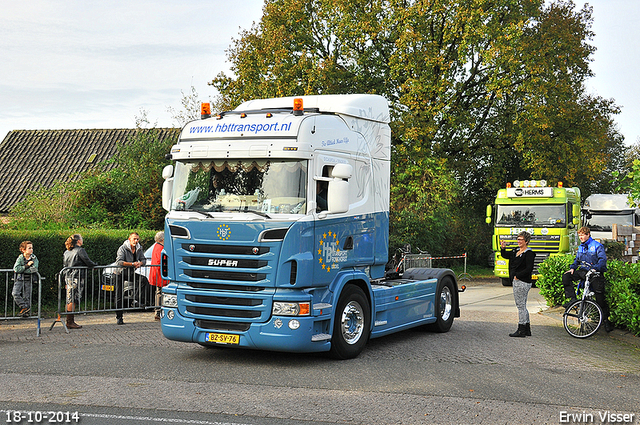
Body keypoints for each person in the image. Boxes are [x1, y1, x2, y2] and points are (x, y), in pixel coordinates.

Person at [562, 226, 613, 332]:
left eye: (582, 235)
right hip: (584, 272)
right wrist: (572, 268)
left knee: (600, 299)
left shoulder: (597, 246)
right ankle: (572, 300)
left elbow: (602, 261)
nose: (580, 237)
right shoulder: (581, 247)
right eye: (579, 235)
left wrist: (595, 268)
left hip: (595, 274)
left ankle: (606, 321)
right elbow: (577, 260)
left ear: (588, 234)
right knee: (566, 276)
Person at [500, 231, 536, 337]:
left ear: (526, 241)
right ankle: (527, 329)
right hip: (516, 281)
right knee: (523, 305)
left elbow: (529, 268)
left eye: (521, 239)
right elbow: (506, 255)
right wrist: (503, 248)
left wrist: (518, 276)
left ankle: (521, 329)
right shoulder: (516, 251)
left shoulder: (529, 253)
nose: (518, 241)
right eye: (518, 239)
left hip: (522, 282)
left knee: (520, 306)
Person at [63, 234, 98, 329]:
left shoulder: (67, 251)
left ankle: (69, 320)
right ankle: (70, 321)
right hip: (76, 276)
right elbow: (87, 261)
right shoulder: (80, 250)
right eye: (81, 239)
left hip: (68, 276)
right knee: (73, 299)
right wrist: (94, 266)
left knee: (69, 298)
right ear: (78, 241)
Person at [114, 232, 147, 325]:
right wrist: (132, 264)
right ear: (129, 239)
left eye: (137, 239)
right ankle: (119, 317)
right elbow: (119, 262)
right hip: (119, 272)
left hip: (129, 272)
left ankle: (136, 299)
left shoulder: (139, 248)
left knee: (143, 280)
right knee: (119, 294)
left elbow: (144, 259)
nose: (136, 241)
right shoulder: (123, 248)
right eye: (134, 239)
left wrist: (140, 263)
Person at [13, 241, 39, 317]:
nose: (31, 250)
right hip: (20, 278)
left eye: (32, 248)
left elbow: (34, 269)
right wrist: (27, 266)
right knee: (15, 293)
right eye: (29, 248)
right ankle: (24, 307)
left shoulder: (34, 258)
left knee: (27, 296)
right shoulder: (20, 258)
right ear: (23, 250)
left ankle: (26, 313)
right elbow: (16, 269)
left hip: (29, 279)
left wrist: (23, 270)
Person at [149, 231, 169, 320]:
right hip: (160, 275)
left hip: (157, 274)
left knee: (158, 292)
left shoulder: (156, 247)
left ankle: (158, 311)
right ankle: (158, 312)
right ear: (163, 239)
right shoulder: (161, 248)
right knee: (160, 293)